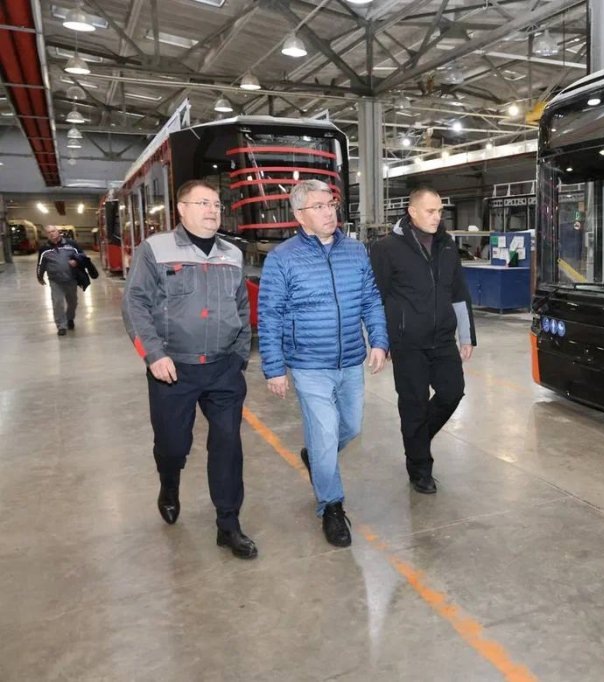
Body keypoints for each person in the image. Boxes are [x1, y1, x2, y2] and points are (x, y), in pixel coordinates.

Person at [121, 180, 257, 560]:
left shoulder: (232, 254)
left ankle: (228, 524)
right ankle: (169, 481)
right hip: (172, 370)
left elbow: (241, 307)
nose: (213, 210)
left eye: (216, 204)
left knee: (228, 446)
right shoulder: (155, 249)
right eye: (203, 203)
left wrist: (239, 356)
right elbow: (134, 304)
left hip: (223, 369)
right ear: (181, 209)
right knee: (173, 444)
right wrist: (153, 355)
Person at [258, 180, 388, 548]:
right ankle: (331, 506)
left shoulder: (356, 252)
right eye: (319, 207)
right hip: (309, 364)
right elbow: (270, 315)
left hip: (350, 360)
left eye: (331, 204)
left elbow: (370, 299)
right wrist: (274, 368)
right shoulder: (282, 258)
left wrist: (379, 340)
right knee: (327, 434)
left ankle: (316, 455)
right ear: (300, 215)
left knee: (351, 426)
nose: (329, 212)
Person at [370, 187, 476, 494]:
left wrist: (466, 335)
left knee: (452, 392)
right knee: (413, 404)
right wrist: (380, 341)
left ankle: (416, 440)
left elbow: (458, 292)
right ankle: (419, 468)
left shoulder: (447, 245)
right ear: (412, 211)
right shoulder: (386, 248)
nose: (437, 217)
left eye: (440, 211)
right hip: (407, 342)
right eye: (430, 211)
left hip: (442, 339)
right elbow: (376, 297)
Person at [36, 225, 85, 335]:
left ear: (58, 232)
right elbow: (40, 264)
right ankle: (61, 326)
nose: (51, 234)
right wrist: (39, 276)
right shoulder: (44, 249)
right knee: (57, 303)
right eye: (49, 232)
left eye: (53, 231)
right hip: (55, 280)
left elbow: (82, 255)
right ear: (46, 235)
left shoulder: (71, 244)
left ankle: (70, 318)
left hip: (71, 279)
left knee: (73, 302)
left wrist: (76, 261)